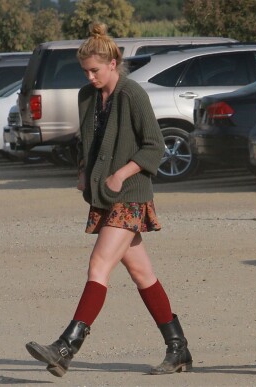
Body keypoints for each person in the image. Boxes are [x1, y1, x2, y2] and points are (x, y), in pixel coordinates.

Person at [25, 22, 192, 377]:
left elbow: (154, 145)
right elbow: (88, 141)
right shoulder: (87, 96)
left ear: (113, 63)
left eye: (95, 70)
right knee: (142, 273)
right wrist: (84, 168)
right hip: (103, 196)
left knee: (98, 265)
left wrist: (122, 173)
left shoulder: (132, 94)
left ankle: (66, 347)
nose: (90, 76)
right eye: (85, 70)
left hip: (130, 195)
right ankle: (178, 348)